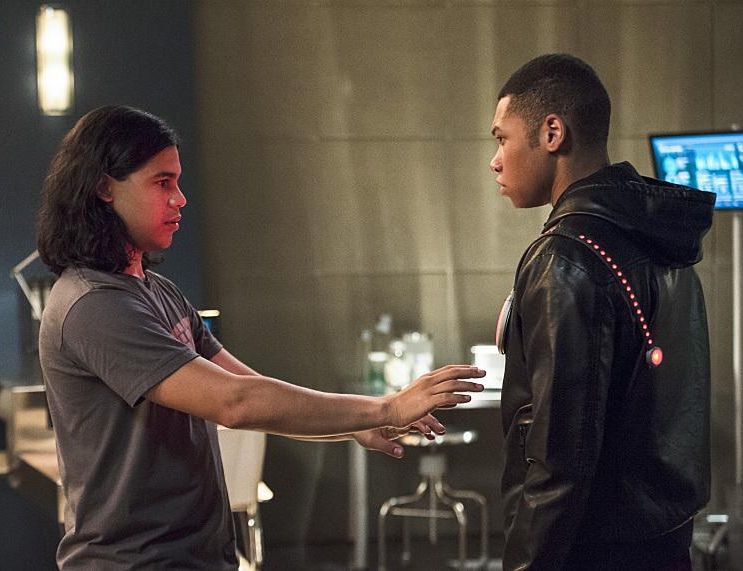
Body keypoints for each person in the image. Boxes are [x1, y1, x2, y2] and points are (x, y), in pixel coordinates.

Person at [36, 105, 485, 570]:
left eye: (177, 182)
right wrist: (385, 408)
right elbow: (236, 403)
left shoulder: (157, 290)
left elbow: (248, 387)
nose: (180, 199)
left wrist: (353, 423)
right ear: (105, 187)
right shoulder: (94, 305)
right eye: (162, 182)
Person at [489, 54, 715, 570]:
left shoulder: (567, 257)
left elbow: (559, 457)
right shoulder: (661, 238)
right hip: (664, 541)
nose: (495, 161)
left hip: (590, 550)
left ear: (552, 133)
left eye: (502, 139)